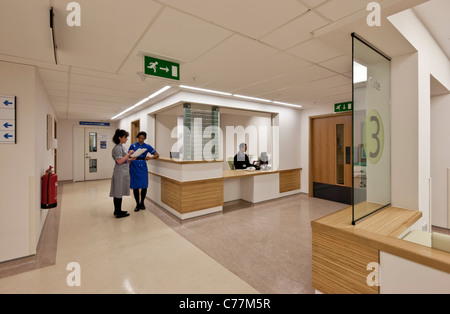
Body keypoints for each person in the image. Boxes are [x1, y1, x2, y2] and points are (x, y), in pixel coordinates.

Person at [129, 131, 159, 212]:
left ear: (145, 138)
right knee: (135, 186)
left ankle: (142, 202)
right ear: (137, 138)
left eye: (142, 138)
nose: (141, 140)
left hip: (143, 165)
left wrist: (150, 158)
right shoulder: (133, 145)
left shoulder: (147, 146)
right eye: (139, 138)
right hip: (134, 165)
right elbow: (129, 156)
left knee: (144, 185)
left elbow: (157, 155)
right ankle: (137, 204)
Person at [110, 129, 135, 218]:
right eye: (125, 137)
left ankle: (118, 210)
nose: (127, 139)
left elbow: (123, 160)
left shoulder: (121, 146)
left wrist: (130, 159)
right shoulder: (117, 148)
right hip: (119, 172)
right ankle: (117, 212)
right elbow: (119, 161)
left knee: (119, 191)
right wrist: (129, 154)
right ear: (120, 138)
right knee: (118, 192)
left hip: (123, 171)